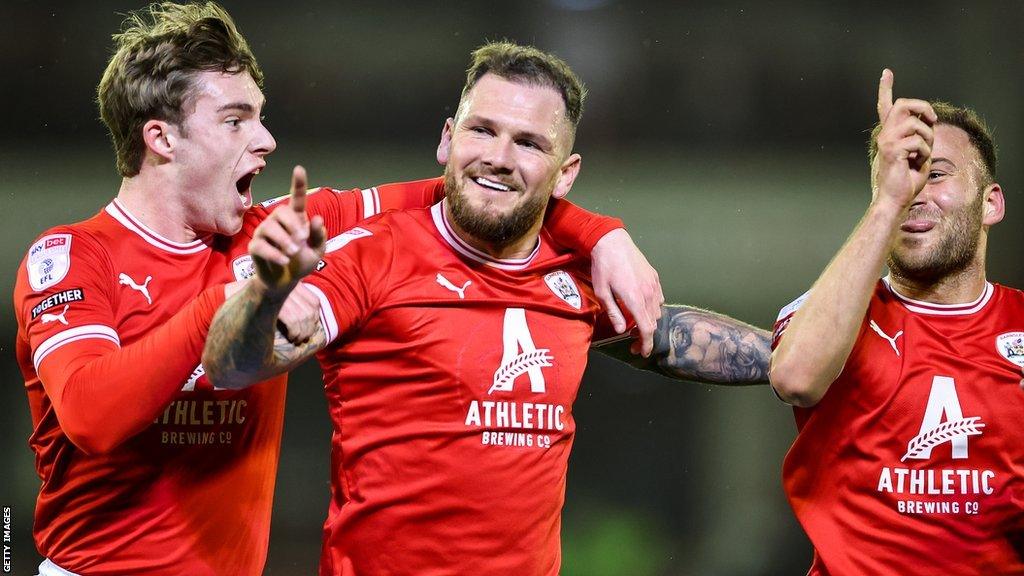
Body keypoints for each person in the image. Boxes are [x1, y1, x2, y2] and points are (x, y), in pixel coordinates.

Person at [11, 4, 664, 576]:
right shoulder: (71, 257)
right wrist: (231, 299)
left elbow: (476, 187)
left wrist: (603, 234)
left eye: (261, 118)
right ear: (161, 137)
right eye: (237, 121)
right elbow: (93, 418)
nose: (265, 140)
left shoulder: (277, 230)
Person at [203, 41, 772, 575]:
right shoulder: (372, 257)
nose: (499, 157)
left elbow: (667, 336)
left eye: (528, 143)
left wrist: (801, 355)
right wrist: (264, 293)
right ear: (448, 140)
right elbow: (234, 367)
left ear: (565, 174)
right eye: (483, 131)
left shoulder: (574, 274)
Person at [770, 69, 1024, 574]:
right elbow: (795, 377)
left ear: (991, 203)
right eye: (900, 173)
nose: (915, 192)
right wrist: (887, 199)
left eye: (936, 173)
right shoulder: (835, 315)